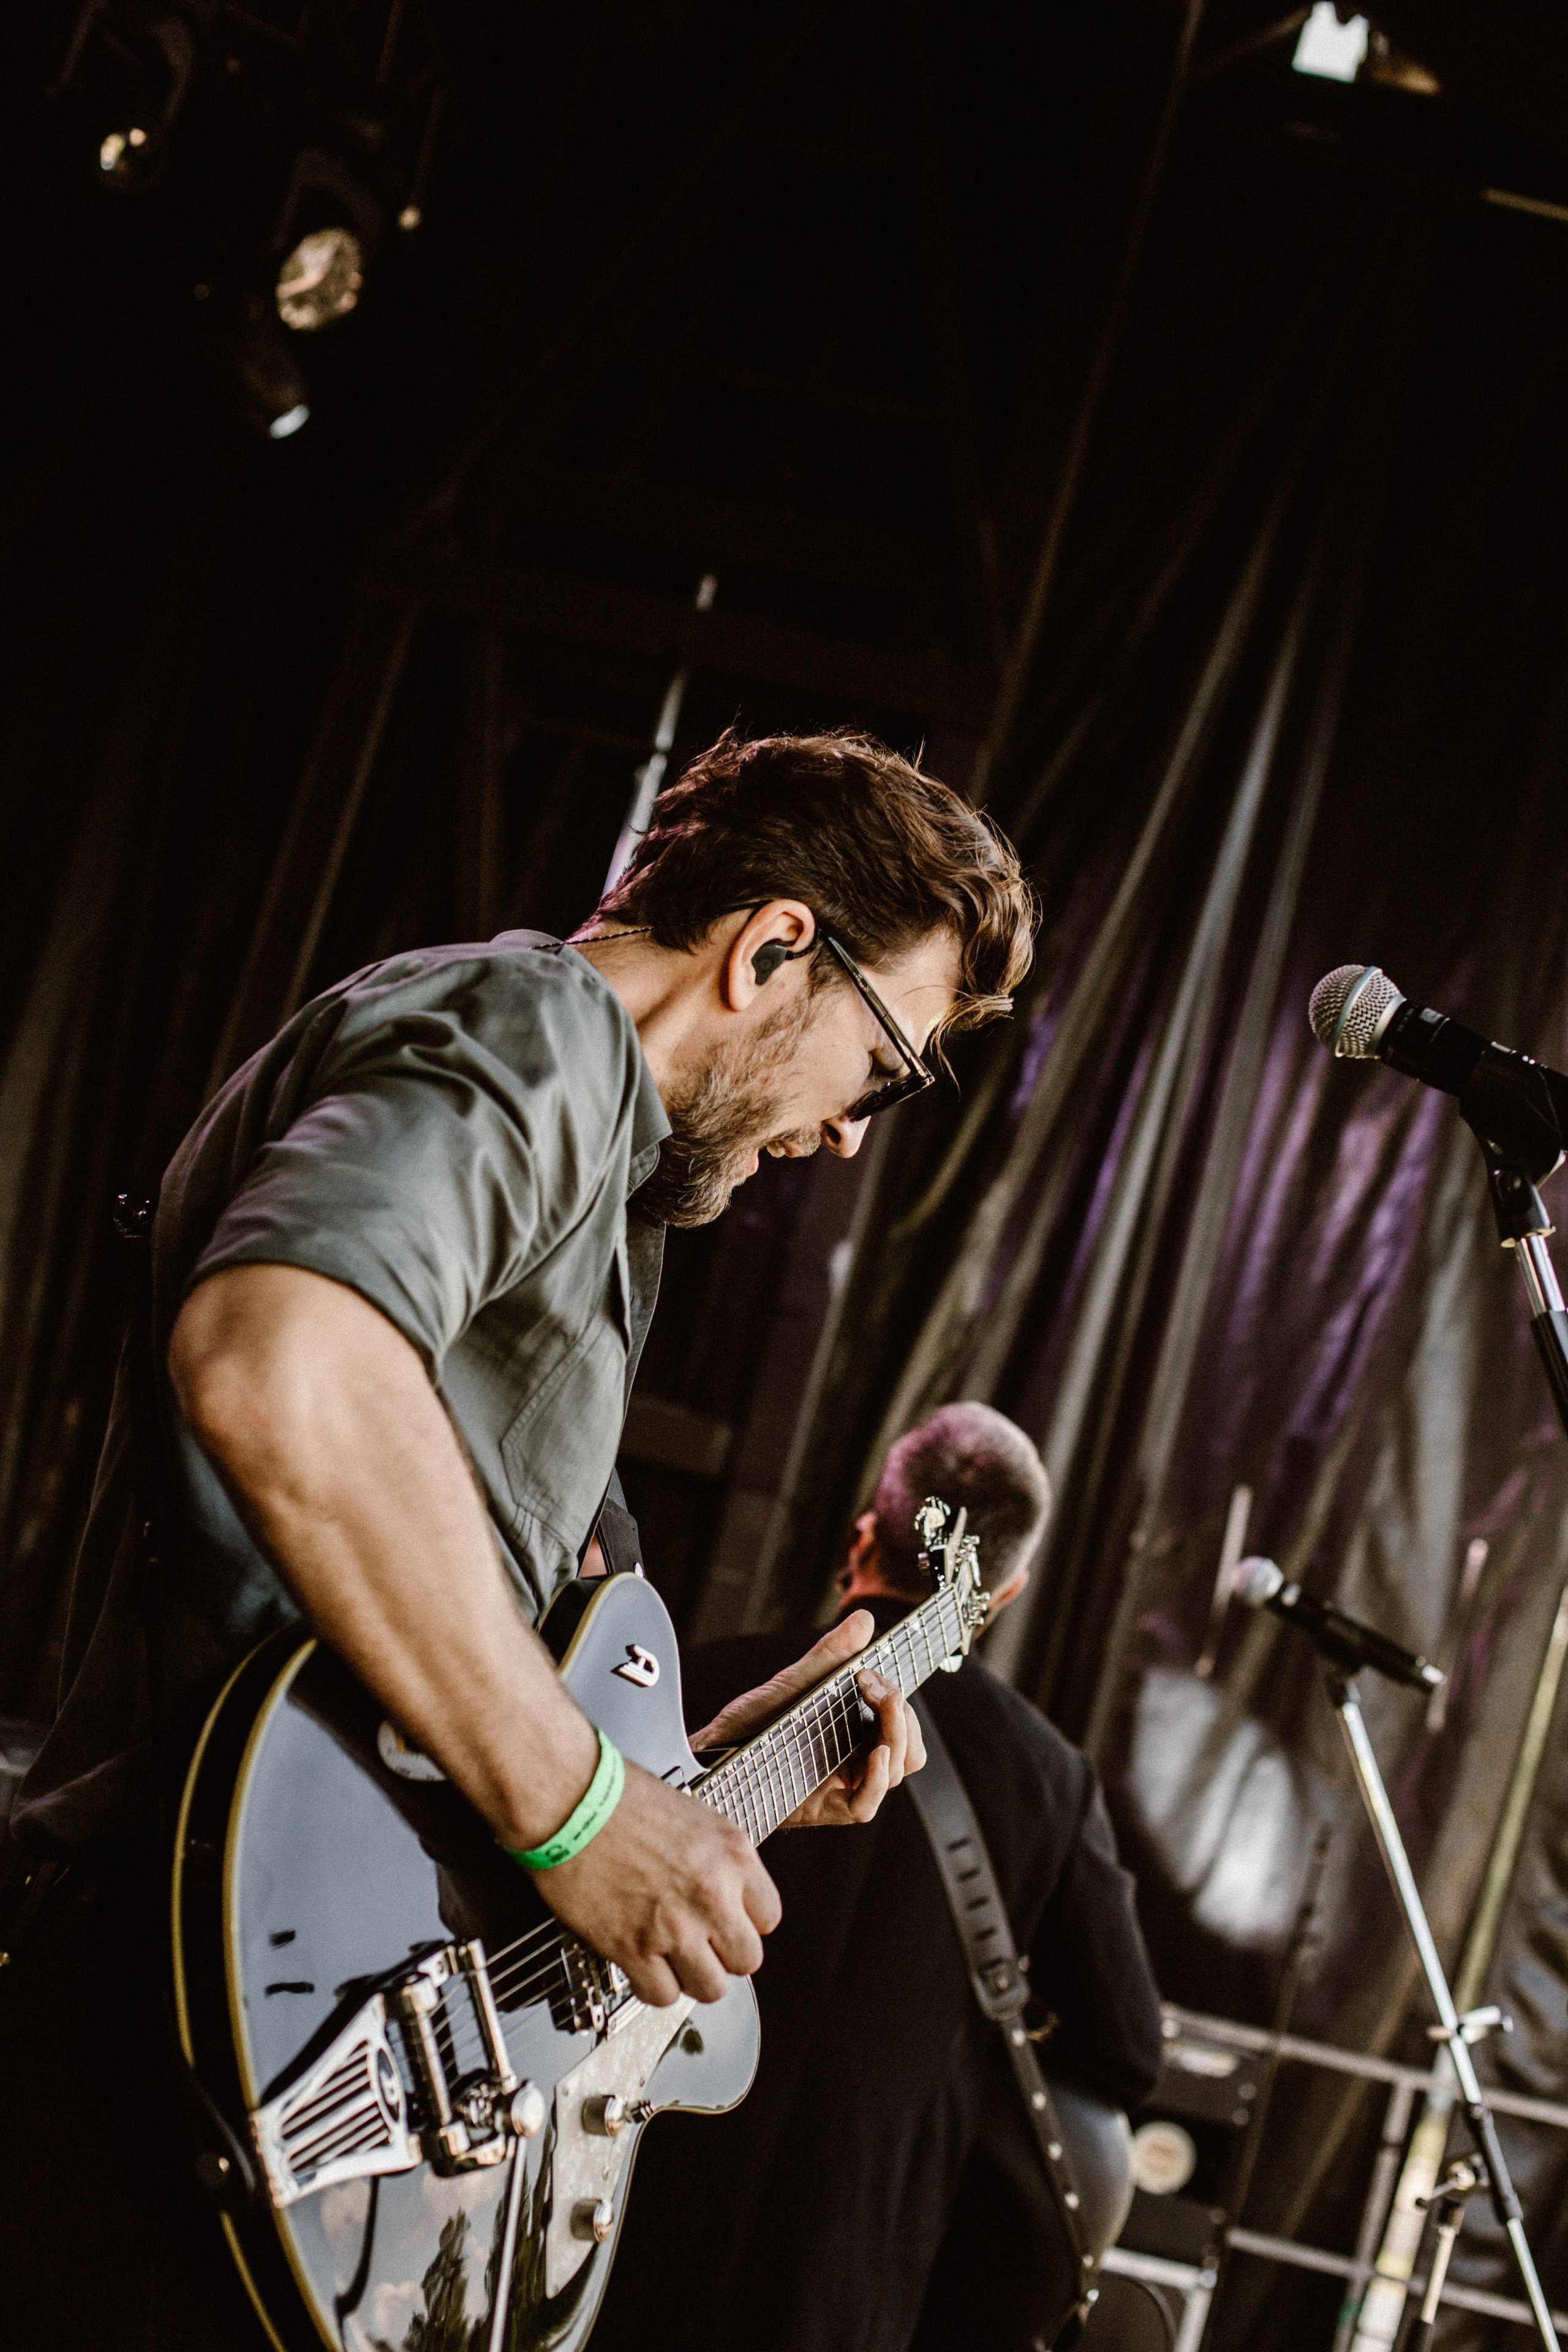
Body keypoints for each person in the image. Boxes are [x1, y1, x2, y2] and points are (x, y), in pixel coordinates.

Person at [0, 729, 1035, 2347]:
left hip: (254, 2013)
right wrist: (583, 1805)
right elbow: (282, 1355)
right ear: (773, 949)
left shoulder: (597, 1185)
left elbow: (435, 1717)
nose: (849, 1138)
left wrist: (717, 1769)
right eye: (885, 1071)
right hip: (184, 2013)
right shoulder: (544, 1027)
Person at [590, 1402, 1164, 2352]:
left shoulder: (706, 1684)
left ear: (864, 1534)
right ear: (1003, 1594)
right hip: (850, 2294)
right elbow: (1128, 2049)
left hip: (622, 2240)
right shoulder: (1048, 1782)